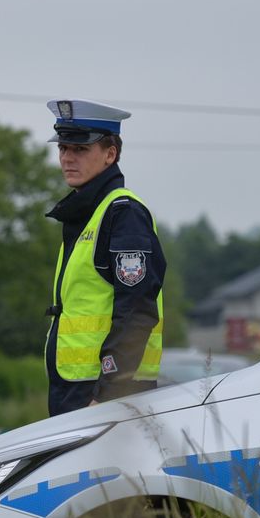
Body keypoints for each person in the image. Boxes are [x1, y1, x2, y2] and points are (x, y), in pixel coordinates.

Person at [42, 99, 166, 416]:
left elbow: (137, 311)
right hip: (78, 390)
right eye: (63, 148)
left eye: (80, 149)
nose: (67, 157)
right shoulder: (86, 214)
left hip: (106, 395)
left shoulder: (122, 213)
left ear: (110, 154)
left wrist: (109, 392)